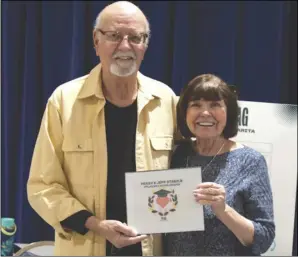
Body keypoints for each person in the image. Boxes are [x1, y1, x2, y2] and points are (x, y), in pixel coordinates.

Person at [27, 1, 177, 256]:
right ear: (96, 42)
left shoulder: (166, 100)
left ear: (145, 45)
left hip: (150, 248)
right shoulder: (64, 101)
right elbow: (43, 186)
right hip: (86, 246)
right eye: (114, 36)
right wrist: (96, 225)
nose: (125, 46)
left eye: (135, 37)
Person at [163, 74, 275, 255]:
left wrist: (223, 210)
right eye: (196, 105)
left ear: (229, 112)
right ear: (184, 113)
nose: (205, 113)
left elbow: (264, 239)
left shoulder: (250, 161)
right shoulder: (177, 155)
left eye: (215, 105)